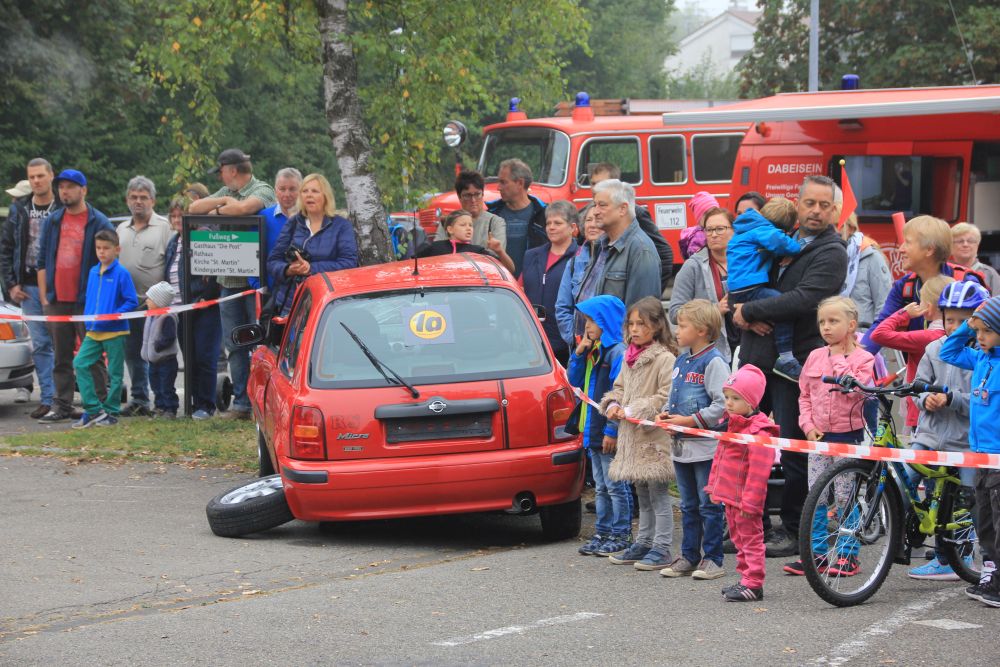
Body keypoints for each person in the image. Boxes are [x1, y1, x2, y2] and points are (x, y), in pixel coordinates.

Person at [733, 174, 848, 558]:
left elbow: (805, 299)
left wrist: (748, 310)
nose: (816, 211)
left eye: (825, 205)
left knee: (794, 451)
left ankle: (794, 528)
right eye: (810, 203)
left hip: (793, 366)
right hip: (755, 360)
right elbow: (745, 278)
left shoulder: (833, 251)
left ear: (835, 210)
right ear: (798, 204)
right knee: (749, 446)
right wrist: (736, 309)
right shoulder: (782, 235)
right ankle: (752, 526)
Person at [783, 296, 874, 577]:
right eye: (822, 321)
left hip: (847, 437)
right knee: (817, 497)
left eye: (833, 321)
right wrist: (807, 425)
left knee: (846, 497)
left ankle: (848, 555)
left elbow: (856, 391)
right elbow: (805, 396)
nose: (826, 327)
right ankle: (817, 554)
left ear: (851, 324)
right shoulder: (813, 356)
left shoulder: (865, 358)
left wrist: (837, 359)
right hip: (819, 438)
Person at [906, 281, 988, 581]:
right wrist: (924, 397)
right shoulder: (934, 348)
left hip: (966, 444)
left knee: (971, 500)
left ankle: (962, 556)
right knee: (905, 477)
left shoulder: (982, 355)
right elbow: (918, 384)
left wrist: (953, 400)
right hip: (929, 439)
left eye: (963, 320)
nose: (954, 326)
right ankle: (908, 536)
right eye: (948, 319)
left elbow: (984, 401)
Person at [190, 149, 276, 420]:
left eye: (222, 171)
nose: (220, 176)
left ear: (233, 170)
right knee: (233, 344)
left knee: (260, 343)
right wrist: (223, 204)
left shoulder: (262, 189)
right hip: (228, 281)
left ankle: (263, 402)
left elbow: (243, 209)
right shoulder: (224, 191)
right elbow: (194, 208)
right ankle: (241, 403)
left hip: (254, 282)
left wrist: (226, 203)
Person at [601, 296, 678, 571]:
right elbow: (619, 387)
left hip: (652, 438)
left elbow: (666, 395)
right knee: (641, 494)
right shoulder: (628, 357)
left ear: (656, 326)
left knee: (658, 494)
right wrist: (613, 404)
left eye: (641, 324)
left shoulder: (665, 358)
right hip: (631, 436)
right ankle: (644, 541)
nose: (634, 329)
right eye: (631, 324)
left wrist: (636, 408)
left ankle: (663, 547)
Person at [656, 299, 728, 581]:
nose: (677, 330)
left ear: (701, 330)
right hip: (681, 447)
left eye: (683, 325)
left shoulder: (715, 362)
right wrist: (667, 414)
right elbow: (676, 397)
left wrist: (688, 421)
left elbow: (722, 405)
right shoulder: (681, 360)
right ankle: (689, 555)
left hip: (705, 448)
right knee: (687, 504)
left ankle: (713, 558)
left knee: (708, 504)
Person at [35, 169, 115, 423]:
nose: (64, 191)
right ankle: (63, 405)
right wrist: (45, 299)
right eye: (61, 187)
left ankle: (102, 405)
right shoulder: (53, 221)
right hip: (57, 300)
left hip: (88, 300)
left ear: (84, 190)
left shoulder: (98, 221)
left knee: (92, 354)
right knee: (61, 356)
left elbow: (111, 262)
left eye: (70, 186)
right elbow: (41, 260)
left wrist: (102, 299)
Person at [939, 295, 1000, 607]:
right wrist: (969, 323)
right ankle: (992, 573)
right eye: (978, 332)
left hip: (998, 455)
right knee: (984, 517)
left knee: (998, 517)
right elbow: (947, 350)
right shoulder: (980, 358)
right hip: (978, 453)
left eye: (986, 332)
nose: (979, 338)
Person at [704, 364, 777, 602]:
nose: (728, 403)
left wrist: (750, 503)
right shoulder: (732, 425)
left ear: (752, 401)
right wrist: (714, 487)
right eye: (726, 397)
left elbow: (759, 473)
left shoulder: (759, 433)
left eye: (736, 398)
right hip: (730, 498)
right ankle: (745, 578)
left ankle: (754, 583)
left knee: (752, 540)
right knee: (738, 539)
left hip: (746, 502)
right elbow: (720, 459)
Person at [861, 215, 984, 354]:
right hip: (920, 373)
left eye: (907, 242)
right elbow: (880, 326)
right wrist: (855, 361)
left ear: (929, 250)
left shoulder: (966, 282)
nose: (901, 249)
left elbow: (985, 330)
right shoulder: (904, 286)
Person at [568, 295, 631, 557]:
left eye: (592, 320)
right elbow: (574, 381)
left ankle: (621, 534)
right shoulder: (593, 350)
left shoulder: (617, 353)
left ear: (607, 321)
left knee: (616, 486)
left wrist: (611, 431)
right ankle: (603, 532)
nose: (587, 326)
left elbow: (620, 395)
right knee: (601, 487)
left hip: (606, 431)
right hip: (591, 430)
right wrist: (578, 354)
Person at [0, 159, 61, 417]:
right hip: (28, 287)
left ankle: (64, 399)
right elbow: (6, 248)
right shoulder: (20, 210)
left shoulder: (62, 207)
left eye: (40, 176)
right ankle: (48, 398)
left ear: (50, 177)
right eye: (32, 177)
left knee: (64, 342)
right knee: (41, 345)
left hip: (59, 287)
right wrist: (11, 285)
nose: (36, 181)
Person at [727, 198, 802, 380]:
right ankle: (786, 358)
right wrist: (797, 249)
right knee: (783, 307)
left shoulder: (746, 229)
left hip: (738, 289)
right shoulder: (764, 230)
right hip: (750, 287)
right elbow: (783, 243)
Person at [117, 176, 172, 418]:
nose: (138, 202)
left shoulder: (165, 227)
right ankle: (139, 399)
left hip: (156, 306)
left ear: (153, 200)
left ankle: (163, 401)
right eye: (133, 197)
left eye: (143, 198)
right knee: (133, 354)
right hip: (129, 304)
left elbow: (172, 264)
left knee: (158, 354)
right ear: (127, 199)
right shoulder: (120, 229)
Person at [71, 230, 138, 428]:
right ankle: (93, 409)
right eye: (98, 248)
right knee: (80, 363)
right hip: (93, 330)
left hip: (115, 331)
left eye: (106, 248)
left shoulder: (121, 273)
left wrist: (114, 314)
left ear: (117, 250)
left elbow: (131, 301)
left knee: (115, 373)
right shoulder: (93, 271)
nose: (102, 252)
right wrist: (88, 319)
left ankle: (111, 411)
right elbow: (90, 298)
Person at [268, 173, 359, 316]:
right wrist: (288, 269)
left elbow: (349, 263)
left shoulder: (341, 226)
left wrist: (311, 268)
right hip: (290, 306)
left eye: (315, 191)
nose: (309, 195)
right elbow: (273, 262)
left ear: (325, 196)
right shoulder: (293, 223)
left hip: (328, 306)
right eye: (305, 191)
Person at [870, 276, 954, 429]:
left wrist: (904, 313)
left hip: (920, 409)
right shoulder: (948, 335)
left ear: (927, 308)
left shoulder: (928, 336)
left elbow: (878, 334)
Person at [164, 202, 222, 420]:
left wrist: (203, 298)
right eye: (174, 216)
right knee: (189, 357)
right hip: (181, 310)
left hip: (204, 307)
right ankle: (191, 403)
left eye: (182, 216)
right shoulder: (173, 242)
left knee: (204, 357)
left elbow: (214, 275)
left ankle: (205, 405)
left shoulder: (202, 237)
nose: (178, 220)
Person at [577, 179, 661, 309]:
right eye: (595, 205)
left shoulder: (641, 250)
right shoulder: (601, 245)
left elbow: (641, 315)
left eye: (602, 205)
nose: (595, 211)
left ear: (622, 209)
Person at [589, 163, 673, 292]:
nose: (595, 188)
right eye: (593, 184)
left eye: (601, 183)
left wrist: (654, 290)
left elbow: (665, 252)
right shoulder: (601, 240)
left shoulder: (636, 215)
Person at [669, 208, 737, 362]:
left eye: (720, 229)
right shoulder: (692, 267)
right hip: (710, 354)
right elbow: (674, 313)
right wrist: (714, 311)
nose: (713, 234)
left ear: (733, 230)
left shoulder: (745, 261)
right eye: (709, 230)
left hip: (745, 345)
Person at [521, 201, 578, 365]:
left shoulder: (581, 257)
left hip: (565, 342)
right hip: (533, 339)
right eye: (548, 223)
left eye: (558, 223)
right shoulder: (531, 255)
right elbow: (522, 288)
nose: (551, 227)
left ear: (572, 227)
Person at [486, 158, 547, 276]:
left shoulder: (544, 215)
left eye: (503, 182)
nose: (498, 187)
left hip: (532, 286)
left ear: (520, 183)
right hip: (499, 285)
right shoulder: (492, 214)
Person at [556, 203, 599, 347]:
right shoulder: (574, 263)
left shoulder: (613, 261)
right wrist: (574, 339)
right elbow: (562, 307)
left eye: (597, 220)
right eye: (588, 220)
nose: (592, 225)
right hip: (580, 348)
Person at [839, 213, 892, 332]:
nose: (831, 231)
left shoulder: (872, 257)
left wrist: (873, 340)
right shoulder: (829, 256)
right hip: (834, 338)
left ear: (851, 228)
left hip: (863, 338)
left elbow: (884, 305)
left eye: (836, 225)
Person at [417, 210, 515, 272]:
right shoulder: (436, 247)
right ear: (450, 229)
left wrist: (500, 251)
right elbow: (411, 265)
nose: (468, 228)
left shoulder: (478, 252)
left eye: (470, 225)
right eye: (463, 225)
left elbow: (510, 269)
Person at [255, 168, 302, 291]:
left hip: (305, 289)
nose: (287, 194)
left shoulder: (312, 217)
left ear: (301, 190)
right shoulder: (263, 217)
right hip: (271, 291)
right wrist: (257, 284)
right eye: (282, 189)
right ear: (276, 191)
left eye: (292, 189)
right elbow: (252, 253)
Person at [436, 170, 507, 249]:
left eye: (477, 194)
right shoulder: (448, 221)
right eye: (467, 195)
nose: (473, 200)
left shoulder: (495, 222)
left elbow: (496, 256)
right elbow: (438, 252)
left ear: (483, 194)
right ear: (459, 197)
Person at [141, 281, 180, 419]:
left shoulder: (168, 317)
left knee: (166, 386)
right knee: (156, 385)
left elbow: (169, 337)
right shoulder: (151, 315)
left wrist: (158, 346)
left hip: (166, 360)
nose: (146, 301)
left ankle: (170, 408)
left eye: (150, 299)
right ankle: (159, 406)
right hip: (153, 360)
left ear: (159, 301)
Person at [951, 222, 999, 296]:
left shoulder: (990, 274)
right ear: (951, 246)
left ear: (977, 245)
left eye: (970, 241)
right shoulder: (945, 272)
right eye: (960, 241)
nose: (965, 244)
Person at [679, 191, 719, 260]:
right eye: (707, 214)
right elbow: (697, 261)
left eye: (715, 213)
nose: (712, 217)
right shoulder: (698, 237)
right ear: (699, 218)